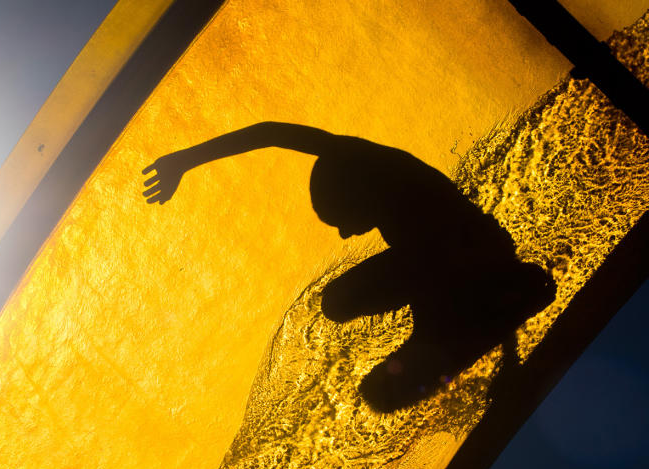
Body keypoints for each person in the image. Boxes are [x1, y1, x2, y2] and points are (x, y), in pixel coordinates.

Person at [142, 122, 555, 412]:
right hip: (451, 274)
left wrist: (508, 358)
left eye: (339, 220)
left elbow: (450, 267)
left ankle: (476, 317)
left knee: (348, 307)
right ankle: (455, 330)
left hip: (481, 259)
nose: (342, 234)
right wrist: (185, 160)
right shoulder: (351, 159)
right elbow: (269, 133)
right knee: (341, 313)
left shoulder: (392, 188)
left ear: (354, 196)